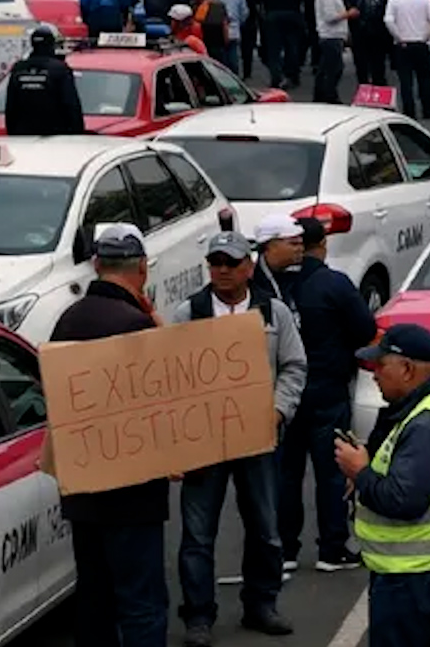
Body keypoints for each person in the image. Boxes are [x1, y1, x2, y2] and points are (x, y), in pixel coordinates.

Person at [168, 231, 306, 644]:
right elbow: (169, 380)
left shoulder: (273, 312)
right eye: (215, 263)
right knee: (197, 534)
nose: (222, 270)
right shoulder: (187, 313)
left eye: (230, 262)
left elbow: (295, 367)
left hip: (257, 439)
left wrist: (279, 410)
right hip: (202, 442)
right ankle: (198, 616)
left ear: (249, 266)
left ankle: (261, 604)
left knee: (265, 526)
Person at [50, 223, 171, 647]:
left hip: (83, 495)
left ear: (97, 265)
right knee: (141, 604)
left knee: (95, 599)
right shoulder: (136, 326)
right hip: (133, 497)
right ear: (142, 269)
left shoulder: (67, 321)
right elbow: (162, 407)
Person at [335, 324, 430, 647]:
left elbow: (404, 501)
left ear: (406, 369)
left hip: (416, 577)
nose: (374, 374)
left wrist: (361, 473)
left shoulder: (428, 425)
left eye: (381, 365)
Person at [269, 215, 376, 576]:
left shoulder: (274, 287)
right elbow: (365, 329)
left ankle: (284, 547)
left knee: (286, 472)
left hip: (284, 391)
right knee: (331, 471)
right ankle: (332, 547)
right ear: (323, 245)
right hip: (327, 387)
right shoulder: (334, 284)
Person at [3, 24, 86, 136]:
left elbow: (11, 106)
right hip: (55, 138)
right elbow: (70, 104)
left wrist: (13, 134)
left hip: (23, 138)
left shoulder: (19, 69)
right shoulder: (60, 69)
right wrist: (77, 134)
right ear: (52, 44)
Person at [384, 0, 430, 119]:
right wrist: (427, 35)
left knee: (405, 80)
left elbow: (388, 20)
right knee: (425, 78)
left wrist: (398, 36)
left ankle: (409, 111)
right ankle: (428, 109)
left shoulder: (394, 0)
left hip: (403, 44)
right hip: (421, 43)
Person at [314, 0, 356, 104]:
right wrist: (348, 14)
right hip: (330, 36)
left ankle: (321, 95)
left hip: (334, 35)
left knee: (326, 68)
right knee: (334, 69)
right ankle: (330, 96)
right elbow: (330, 17)